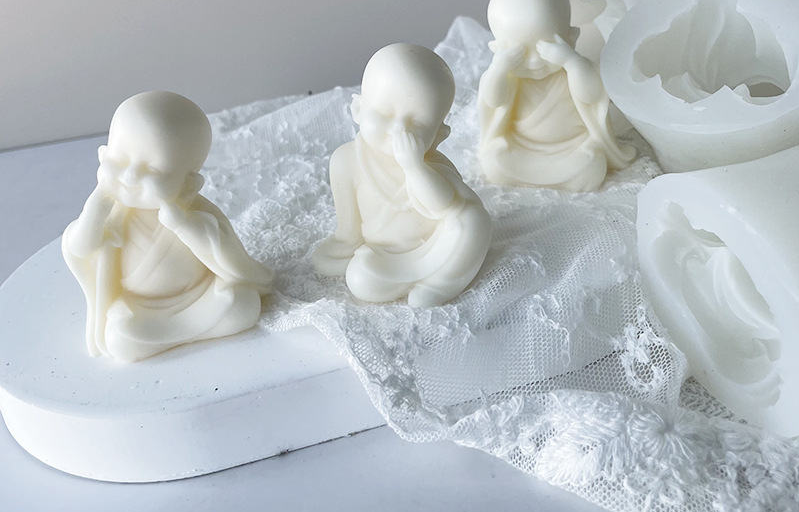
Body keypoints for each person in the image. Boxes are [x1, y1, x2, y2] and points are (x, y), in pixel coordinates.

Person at [62, 91, 273, 362]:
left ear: (189, 184)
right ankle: (173, 334)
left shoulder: (195, 212)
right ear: (103, 156)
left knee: (243, 305)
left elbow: (226, 253)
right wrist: (92, 215)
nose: (131, 176)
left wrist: (185, 225)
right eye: (120, 160)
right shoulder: (111, 213)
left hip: (200, 296)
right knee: (119, 339)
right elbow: (80, 250)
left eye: (153, 171)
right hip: (141, 308)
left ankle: (182, 333)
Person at [313, 44, 491, 308]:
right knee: (360, 280)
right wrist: (340, 249)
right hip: (385, 253)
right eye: (385, 114)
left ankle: (439, 285)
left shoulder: (430, 163)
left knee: (474, 221)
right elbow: (348, 230)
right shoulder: (346, 160)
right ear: (358, 109)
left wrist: (414, 167)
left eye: (417, 124)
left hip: (437, 246)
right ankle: (407, 278)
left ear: (439, 135)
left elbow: (445, 206)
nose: (399, 129)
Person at [478, 0, 635, 191]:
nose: (534, 61)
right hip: (520, 147)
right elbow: (493, 101)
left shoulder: (577, 69)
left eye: (546, 47)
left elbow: (591, 96)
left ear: (572, 38)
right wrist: (498, 70)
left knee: (593, 166)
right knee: (494, 162)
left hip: (573, 147)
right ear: (497, 50)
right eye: (520, 53)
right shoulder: (507, 76)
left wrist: (572, 62)